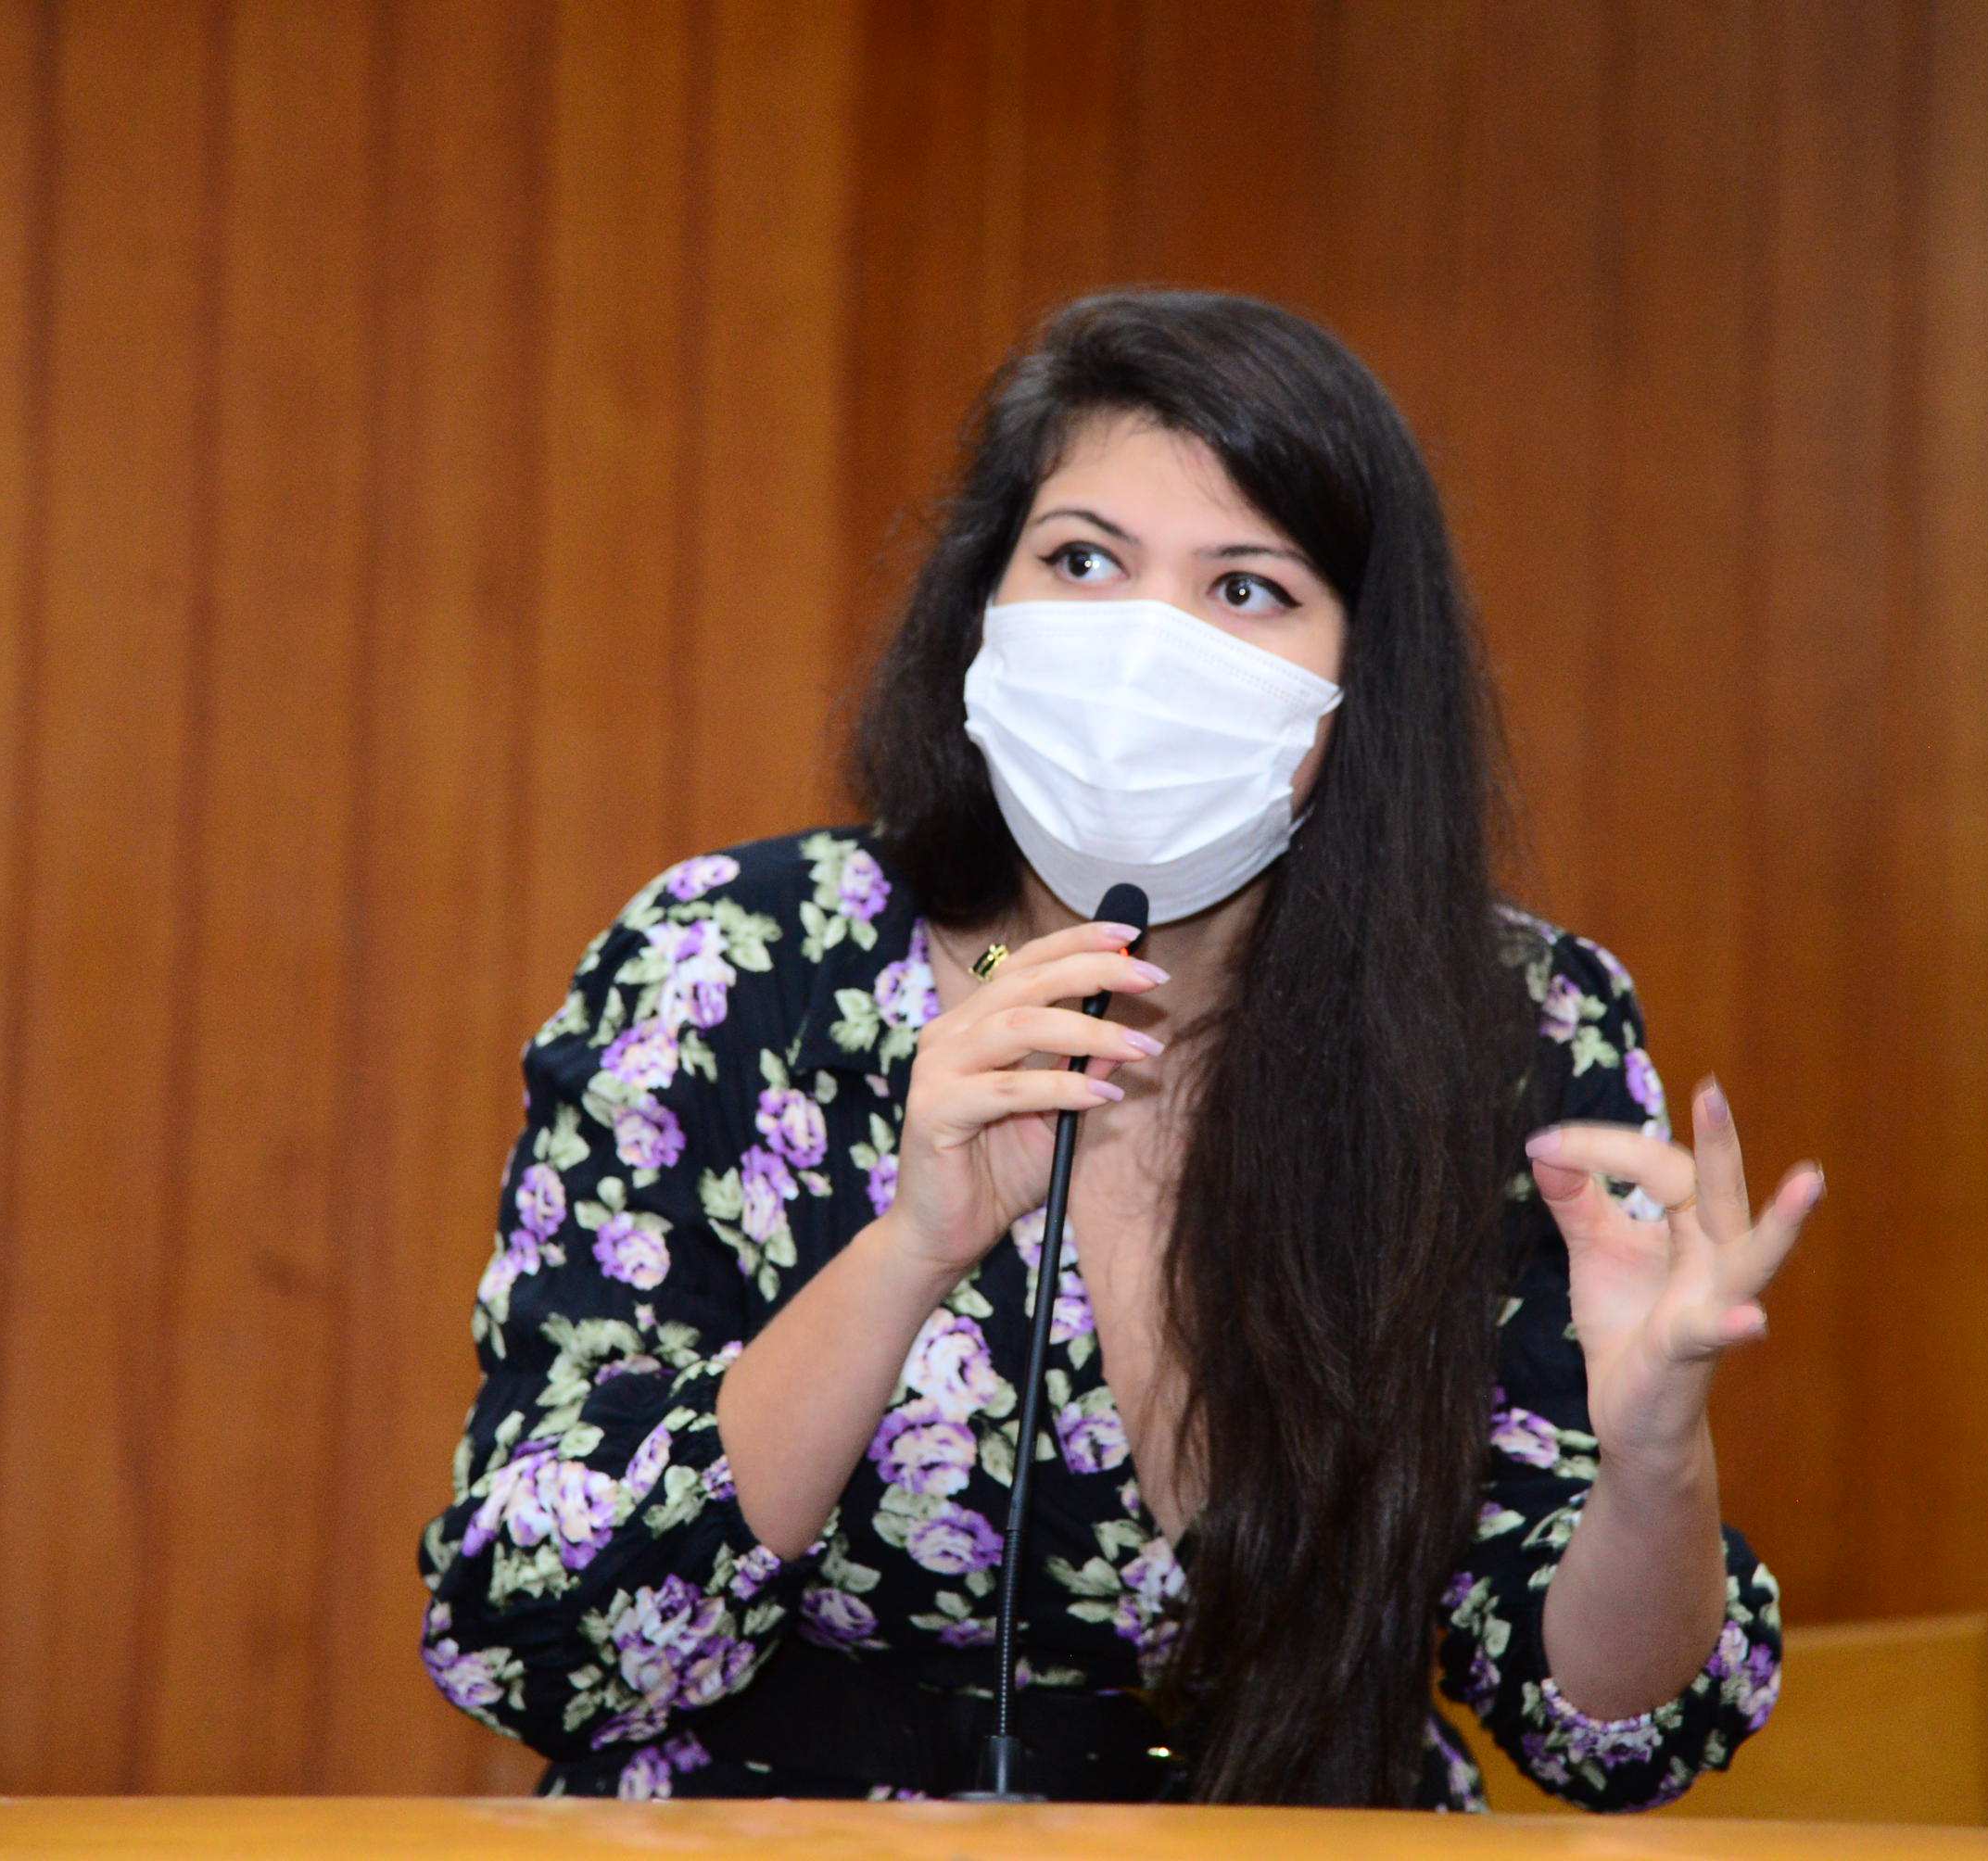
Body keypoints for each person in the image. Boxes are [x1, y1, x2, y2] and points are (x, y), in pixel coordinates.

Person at [417, 290, 1810, 1810]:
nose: (1148, 648)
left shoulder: (1513, 1023)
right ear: (983, 602)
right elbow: (533, 1642)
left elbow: (1611, 1742)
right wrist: (905, 1254)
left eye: (1247, 587)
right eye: (1083, 561)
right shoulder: (731, 962)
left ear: (1361, 682)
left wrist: (1655, 1459)